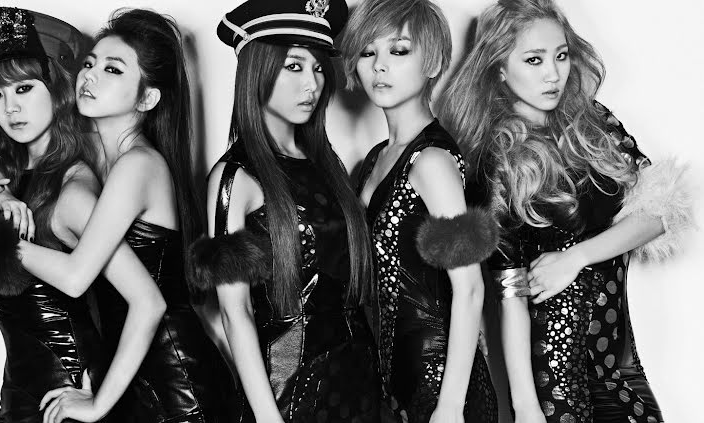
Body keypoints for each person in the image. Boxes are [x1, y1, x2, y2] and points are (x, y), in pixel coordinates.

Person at [0, 8, 236, 423]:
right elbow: (1, 150)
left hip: (177, 388)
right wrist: (2, 193)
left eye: (112, 69)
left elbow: (83, 280)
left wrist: (0, 238)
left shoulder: (138, 165)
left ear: (147, 98)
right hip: (132, 380)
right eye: (90, 64)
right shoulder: (96, 152)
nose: (90, 77)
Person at [442, 0, 691, 421]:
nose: (553, 74)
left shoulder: (595, 124)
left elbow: (661, 214)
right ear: (499, 68)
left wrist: (576, 257)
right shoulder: (496, 160)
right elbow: (511, 295)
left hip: (620, 363)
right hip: (556, 366)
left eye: (560, 56)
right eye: (534, 60)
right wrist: (525, 406)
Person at [0, 7, 167, 423]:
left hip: (63, 396)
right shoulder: (5, 176)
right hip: (18, 398)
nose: (10, 108)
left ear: (55, 88)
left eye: (24, 89)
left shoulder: (73, 193)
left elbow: (147, 300)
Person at [186, 0, 381, 421]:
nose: (311, 83)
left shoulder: (326, 164)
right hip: (289, 392)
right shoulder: (236, 176)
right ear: (257, 69)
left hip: (358, 381)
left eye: (318, 68)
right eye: (294, 66)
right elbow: (235, 312)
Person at [340, 1, 499, 422]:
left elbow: (469, 288)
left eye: (399, 50)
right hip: (393, 383)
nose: (379, 66)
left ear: (433, 63)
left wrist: (450, 408)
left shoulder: (431, 161)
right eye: (367, 52)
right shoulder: (376, 159)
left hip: (441, 386)